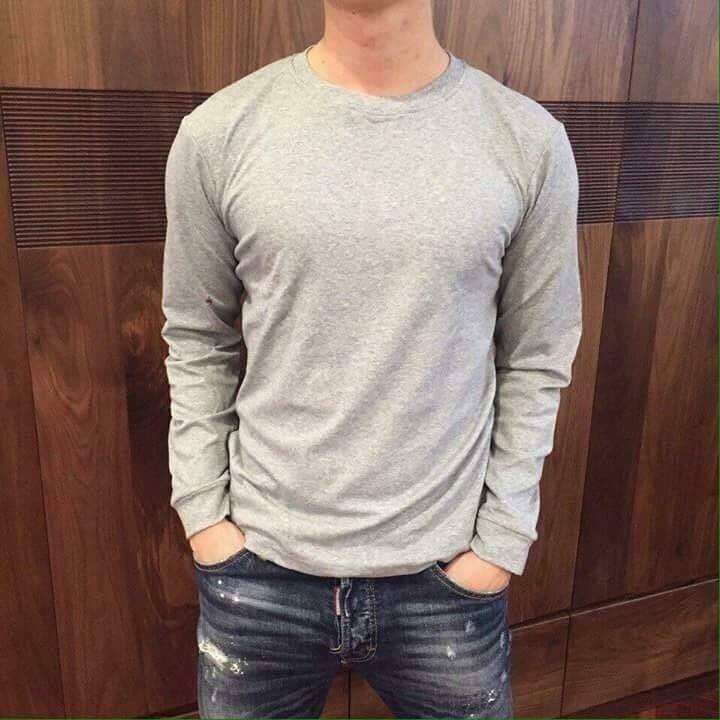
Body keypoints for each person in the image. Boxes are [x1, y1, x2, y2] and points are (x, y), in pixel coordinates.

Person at [160, 1, 582, 717]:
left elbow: (539, 353)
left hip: (445, 581)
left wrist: (500, 543)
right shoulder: (218, 132)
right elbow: (198, 336)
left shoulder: (526, 140)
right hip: (258, 574)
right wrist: (206, 518)